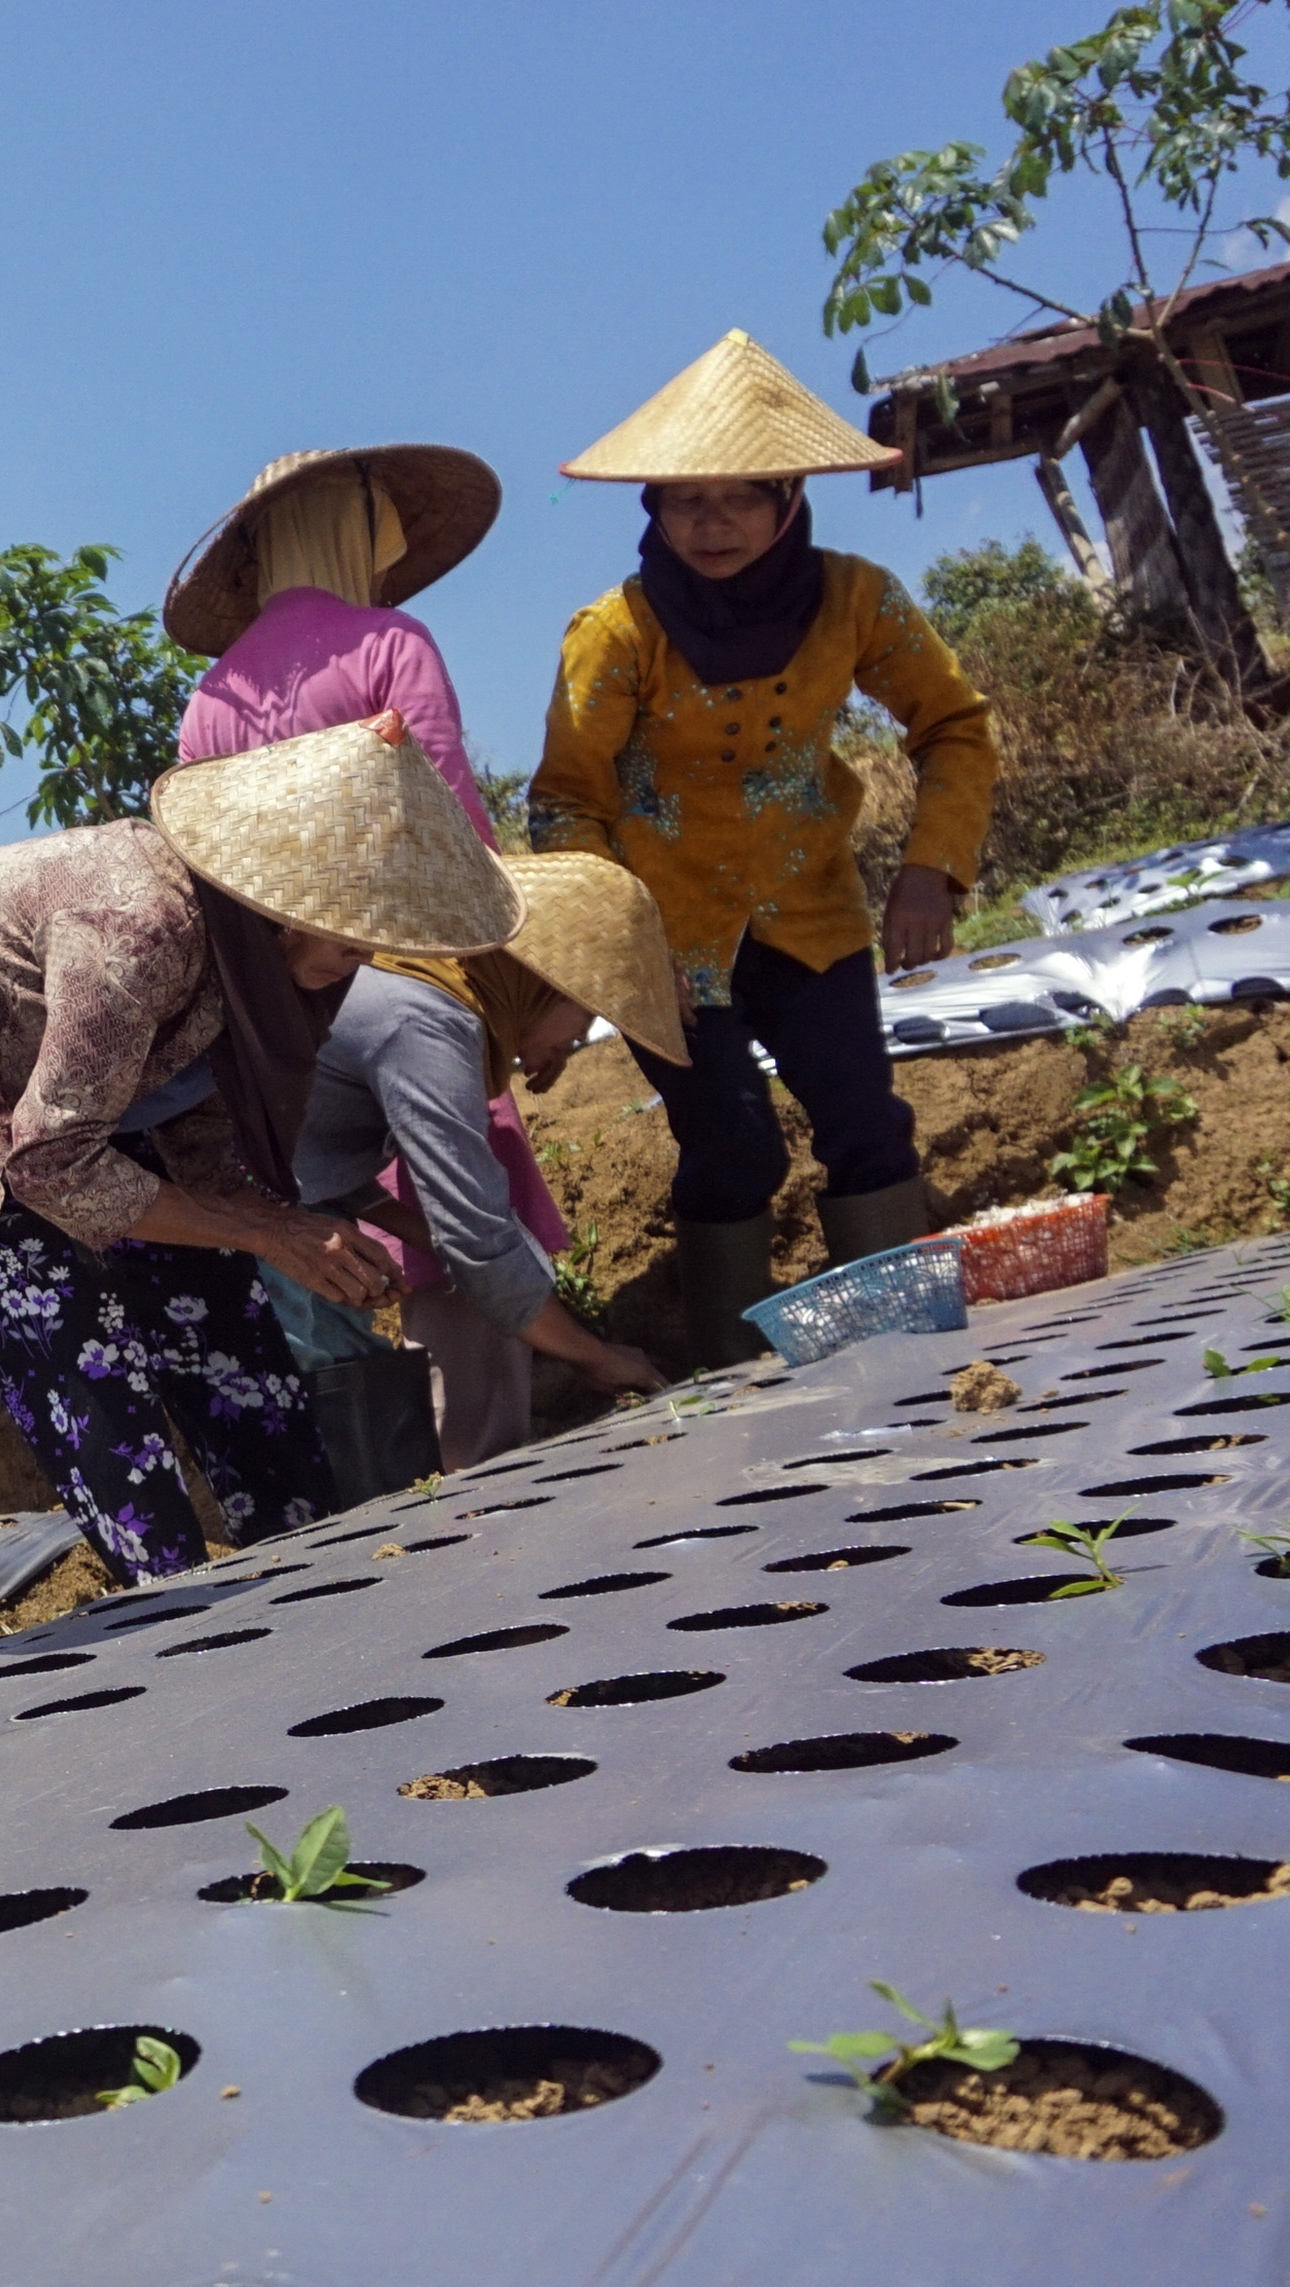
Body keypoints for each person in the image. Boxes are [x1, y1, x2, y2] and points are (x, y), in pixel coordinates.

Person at [0, 715, 521, 1582]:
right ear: (286, 904)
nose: (363, 953)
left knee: (231, 1334)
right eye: (348, 930)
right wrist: (264, 1232)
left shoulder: (266, 968)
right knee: (86, 1360)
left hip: (86, 1097)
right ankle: (169, 1613)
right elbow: (46, 1160)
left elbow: (199, 1118)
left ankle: (314, 1572)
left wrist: (270, 1222)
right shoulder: (142, 929)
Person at [530, 330, 998, 1364]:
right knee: (732, 1144)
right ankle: (728, 1378)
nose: (712, 523)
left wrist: (930, 867)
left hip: (812, 914)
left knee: (864, 1123)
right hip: (667, 943)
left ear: (788, 500)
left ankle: (910, 1362)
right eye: (684, 499)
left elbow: (954, 726)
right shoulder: (614, 634)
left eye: (741, 495)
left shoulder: (856, 599)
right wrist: (583, 966)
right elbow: (566, 804)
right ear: (650, 507)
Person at [164, 444, 584, 1357]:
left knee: (320, 1208)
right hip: (415, 967)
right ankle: (504, 1418)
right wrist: (535, 984)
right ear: (360, 538)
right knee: (469, 1179)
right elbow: (456, 825)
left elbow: (207, 866)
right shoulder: (391, 644)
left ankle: (391, 1454)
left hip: (280, 1004)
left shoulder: (211, 698)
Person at [294, 854, 679, 1465]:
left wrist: (406, 1224)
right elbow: (479, 1238)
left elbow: (312, 1150)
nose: (580, 1038)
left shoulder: (424, 990)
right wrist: (597, 1356)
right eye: (585, 1011)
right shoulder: (423, 1023)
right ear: (539, 981)